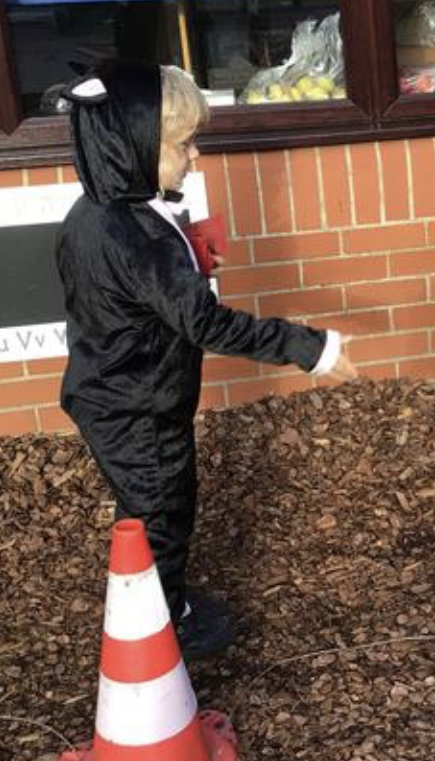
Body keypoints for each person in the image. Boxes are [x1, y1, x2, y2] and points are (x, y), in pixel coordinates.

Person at [55, 58, 358, 659]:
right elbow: (207, 323)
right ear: (133, 145)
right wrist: (312, 348)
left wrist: (187, 258)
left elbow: (137, 296)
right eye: (183, 144)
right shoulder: (136, 237)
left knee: (147, 508)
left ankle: (151, 596)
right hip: (139, 409)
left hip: (109, 394)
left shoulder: (95, 214)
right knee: (163, 514)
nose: (195, 157)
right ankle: (162, 627)